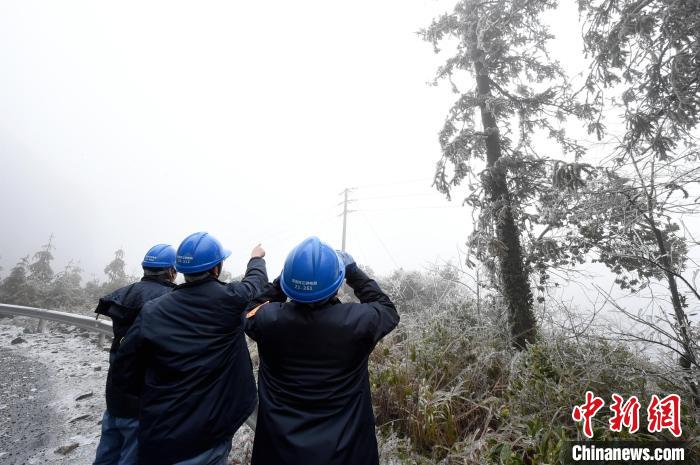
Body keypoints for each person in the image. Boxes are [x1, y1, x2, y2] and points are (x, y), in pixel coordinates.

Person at [111, 232, 267, 465]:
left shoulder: (153, 310)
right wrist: (256, 258)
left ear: (180, 270)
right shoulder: (230, 300)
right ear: (217, 269)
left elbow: (125, 368)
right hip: (210, 435)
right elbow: (255, 283)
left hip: (162, 434)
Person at [244, 236, 399, 465]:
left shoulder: (268, 320)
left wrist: (284, 280)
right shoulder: (356, 322)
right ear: (337, 284)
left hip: (280, 453)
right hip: (346, 454)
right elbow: (387, 309)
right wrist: (354, 272)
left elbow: (251, 309)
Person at [93, 243, 178, 465]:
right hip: (144, 400)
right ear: (170, 271)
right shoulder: (171, 300)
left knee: (107, 455)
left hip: (116, 393)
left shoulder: (125, 293)